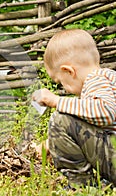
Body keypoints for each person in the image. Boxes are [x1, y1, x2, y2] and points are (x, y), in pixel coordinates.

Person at [32, 29, 116, 187]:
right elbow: (92, 125)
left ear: (69, 71)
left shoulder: (96, 79)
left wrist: (57, 100)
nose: (64, 89)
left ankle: (81, 185)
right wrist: (53, 143)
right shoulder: (108, 78)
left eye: (60, 82)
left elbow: (105, 112)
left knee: (60, 119)